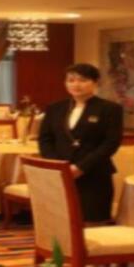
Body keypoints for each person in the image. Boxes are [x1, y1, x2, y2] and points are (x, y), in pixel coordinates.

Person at [38, 63, 123, 223]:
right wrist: (57, 165)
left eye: (83, 80)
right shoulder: (55, 108)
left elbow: (111, 143)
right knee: (60, 221)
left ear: (95, 83)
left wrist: (81, 167)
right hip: (60, 174)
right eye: (71, 80)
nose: (76, 85)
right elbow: (45, 139)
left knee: (93, 223)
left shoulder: (110, 109)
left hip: (94, 173)